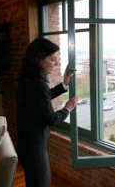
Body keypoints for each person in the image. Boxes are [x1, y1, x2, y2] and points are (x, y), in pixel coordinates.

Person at [16, 37, 78, 187]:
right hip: (34, 146)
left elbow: (42, 99)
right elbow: (52, 119)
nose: (56, 63)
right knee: (42, 182)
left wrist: (64, 84)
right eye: (53, 59)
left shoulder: (28, 79)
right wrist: (67, 108)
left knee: (36, 181)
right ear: (40, 59)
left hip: (26, 143)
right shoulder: (39, 84)